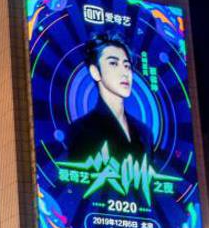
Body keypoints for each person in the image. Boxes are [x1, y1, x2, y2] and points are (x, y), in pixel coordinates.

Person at [62, 34, 152, 166]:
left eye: (127, 66)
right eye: (113, 63)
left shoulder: (144, 132)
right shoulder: (80, 130)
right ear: (95, 72)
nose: (125, 73)